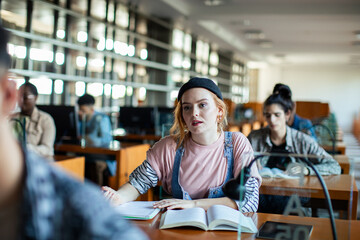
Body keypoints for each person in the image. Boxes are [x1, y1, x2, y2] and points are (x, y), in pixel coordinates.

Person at [0, 26, 147, 240]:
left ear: (8, 95)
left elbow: (103, 140)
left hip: (102, 158)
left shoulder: (90, 222)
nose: (81, 112)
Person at [103, 77, 261, 212]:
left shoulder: (236, 143)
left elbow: (250, 202)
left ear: (219, 111)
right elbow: (138, 183)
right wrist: (118, 197)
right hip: (180, 229)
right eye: (187, 107)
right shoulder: (168, 147)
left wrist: (193, 205)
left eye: (202, 105)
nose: (194, 113)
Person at [247, 84, 341, 214]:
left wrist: (307, 170)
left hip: (292, 196)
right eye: (267, 115)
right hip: (262, 194)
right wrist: (250, 165)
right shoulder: (254, 137)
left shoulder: (302, 140)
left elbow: (334, 165)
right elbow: (238, 163)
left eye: (277, 115)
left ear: (287, 114)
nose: (272, 120)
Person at [77, 93, 114, 186]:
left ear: (91, 109)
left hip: (102, 154)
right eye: (79, 110)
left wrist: (84, 137)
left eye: (83, 110)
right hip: (87, 153)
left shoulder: (101, 119)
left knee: (92, 165)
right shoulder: (81, 120)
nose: (80, 113)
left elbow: (100, 141)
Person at [12, 82, 56, 160]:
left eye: (25, 97)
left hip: (39, 164)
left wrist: (27, 148)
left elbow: (47, 149)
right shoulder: (12, 119)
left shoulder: (46, 120)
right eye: (18, 97)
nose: (21, 101)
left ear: (35, 98)